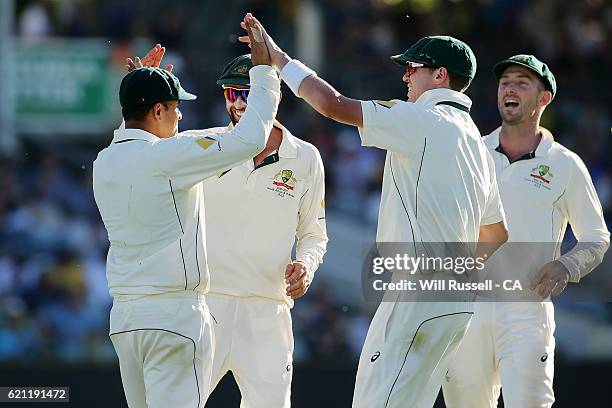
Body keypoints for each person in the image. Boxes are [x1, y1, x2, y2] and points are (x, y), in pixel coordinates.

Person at [239, 17, 508, 408]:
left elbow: (330, 105)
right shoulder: (479, 145)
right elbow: (496, 235)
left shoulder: (422, 119)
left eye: (413, 69)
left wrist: (280, 60)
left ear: (441, 75)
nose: (406, 78)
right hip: (459, 298)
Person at [92, 16, 282, 407]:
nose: (181, 117)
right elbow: (250, 139)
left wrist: (138, 87)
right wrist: (265, 75)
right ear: (158, 111)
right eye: (175, 109)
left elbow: (138, 136)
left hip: (127, 322)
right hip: (174, 319)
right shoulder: (167, 157)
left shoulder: (104, 161)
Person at [442, 54, 610, 408]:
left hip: (527, 310)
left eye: (521, 82)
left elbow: (596, 237)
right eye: (505, 82)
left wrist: (567, 265)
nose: (509, 88)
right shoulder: (471, 151)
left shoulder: (564, 164)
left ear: (544, 98)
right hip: (465, 307)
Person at [206, 54, 327, 407]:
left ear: (273, 94)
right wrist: (147, 91)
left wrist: (306, 265)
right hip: (205, 304)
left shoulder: (305, 157)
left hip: (268, 308)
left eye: (249, 92)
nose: (240, 103)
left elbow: (314, 234)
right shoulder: (203, 144)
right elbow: (149, 154)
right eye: (231, 93)